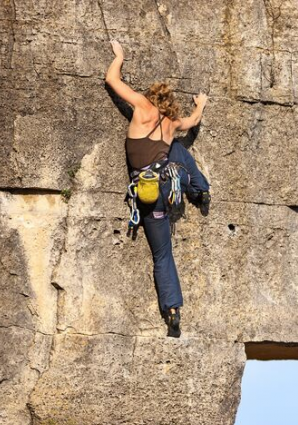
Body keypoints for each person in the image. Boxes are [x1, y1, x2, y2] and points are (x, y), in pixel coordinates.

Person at [104, 39, 211, 338]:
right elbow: (191, 122)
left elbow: (111, 79)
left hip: (147, 193)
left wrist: (119, 56)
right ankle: (201, 191)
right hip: (171, 186)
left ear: (151, 96)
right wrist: (200, 105)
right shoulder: (173, 123)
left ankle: (172, 310)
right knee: (176, 150)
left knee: (161, 255)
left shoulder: (141, 106)